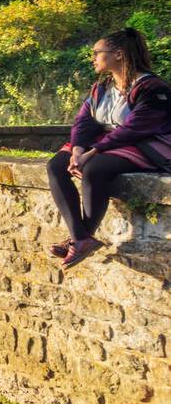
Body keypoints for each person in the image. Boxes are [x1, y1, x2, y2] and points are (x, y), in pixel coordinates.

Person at [46, 27, 171, 270]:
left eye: (97, 52)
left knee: (95, 169)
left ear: (119, 55)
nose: (92, 57)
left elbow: (134, 128)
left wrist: (92, 152)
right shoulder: (101, 87)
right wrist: (78, 149)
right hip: (102, 141)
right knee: (56, 166)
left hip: (142, 143)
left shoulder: (153, 88)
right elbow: (83, 120)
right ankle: (81, 238)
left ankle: (78, 240)